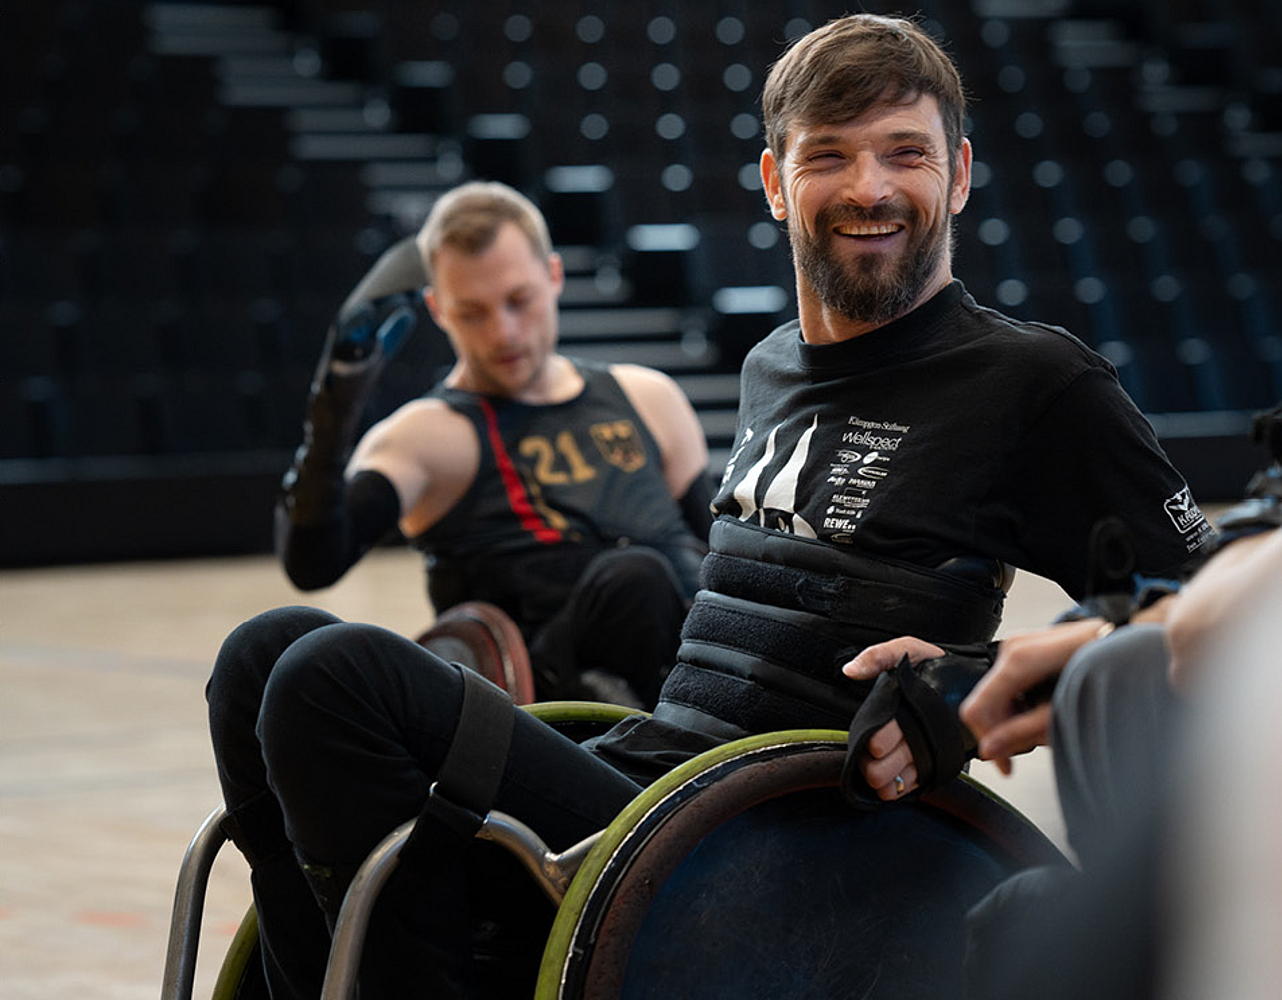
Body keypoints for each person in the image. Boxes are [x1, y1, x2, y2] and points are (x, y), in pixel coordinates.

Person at [204, 14, 1217, 998]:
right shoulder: (770, 365)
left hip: (771, 849)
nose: (870, 187)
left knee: (335, 677)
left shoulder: (1035, 383)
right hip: (653, 791)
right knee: (261, 654)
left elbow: (1215, 611)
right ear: (776, 184)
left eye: (904, 153)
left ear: (956, 174)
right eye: (829, 156)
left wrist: (978, 678)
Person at [276, 181, 710, 705]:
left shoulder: (648, 397)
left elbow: (718, 553)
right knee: (635, 578)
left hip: (693, 669)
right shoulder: (426, 436)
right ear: (438, 309)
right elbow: (312, 564)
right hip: (543, 707)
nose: (503, 332)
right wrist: (334, 410)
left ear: (554, 276)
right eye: (472, 313)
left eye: (518, 301)